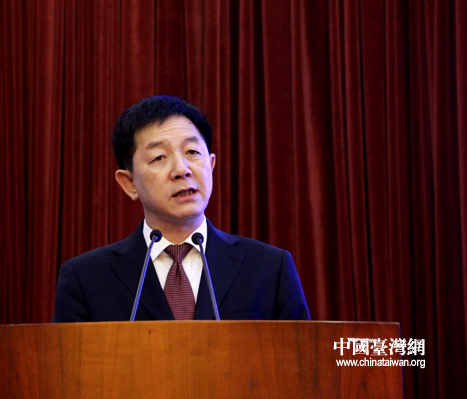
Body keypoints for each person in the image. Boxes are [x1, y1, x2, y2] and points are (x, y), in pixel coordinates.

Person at [52, 95, 309, 322]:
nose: (181, 170)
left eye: (192, 152)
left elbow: (299, 358)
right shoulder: (86, 278)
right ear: (129, 183)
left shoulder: (269, 268)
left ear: (211, 165)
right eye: (159, 157)